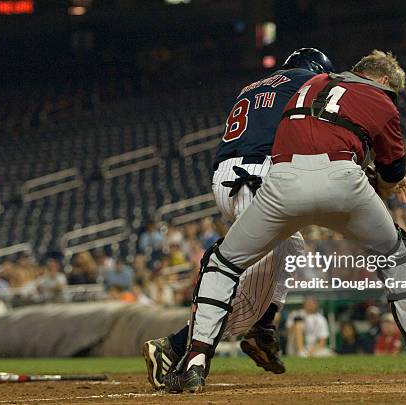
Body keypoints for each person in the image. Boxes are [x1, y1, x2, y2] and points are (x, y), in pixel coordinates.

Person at [163, 50, 406, 393]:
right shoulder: (381, 100)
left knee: (223, 263)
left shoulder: (308, 85)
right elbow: (392, 174)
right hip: (342, 179)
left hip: (279, 179)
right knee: (394, 253)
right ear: (385, 81)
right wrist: (381, 177)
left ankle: (194, 361)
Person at [143, 48, 335, 390]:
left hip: (228, 177)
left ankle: (263, 326)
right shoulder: (310, 80)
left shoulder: (253, 87)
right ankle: (175, 347)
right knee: (247, 292)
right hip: (258, 175)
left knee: (292, 250)